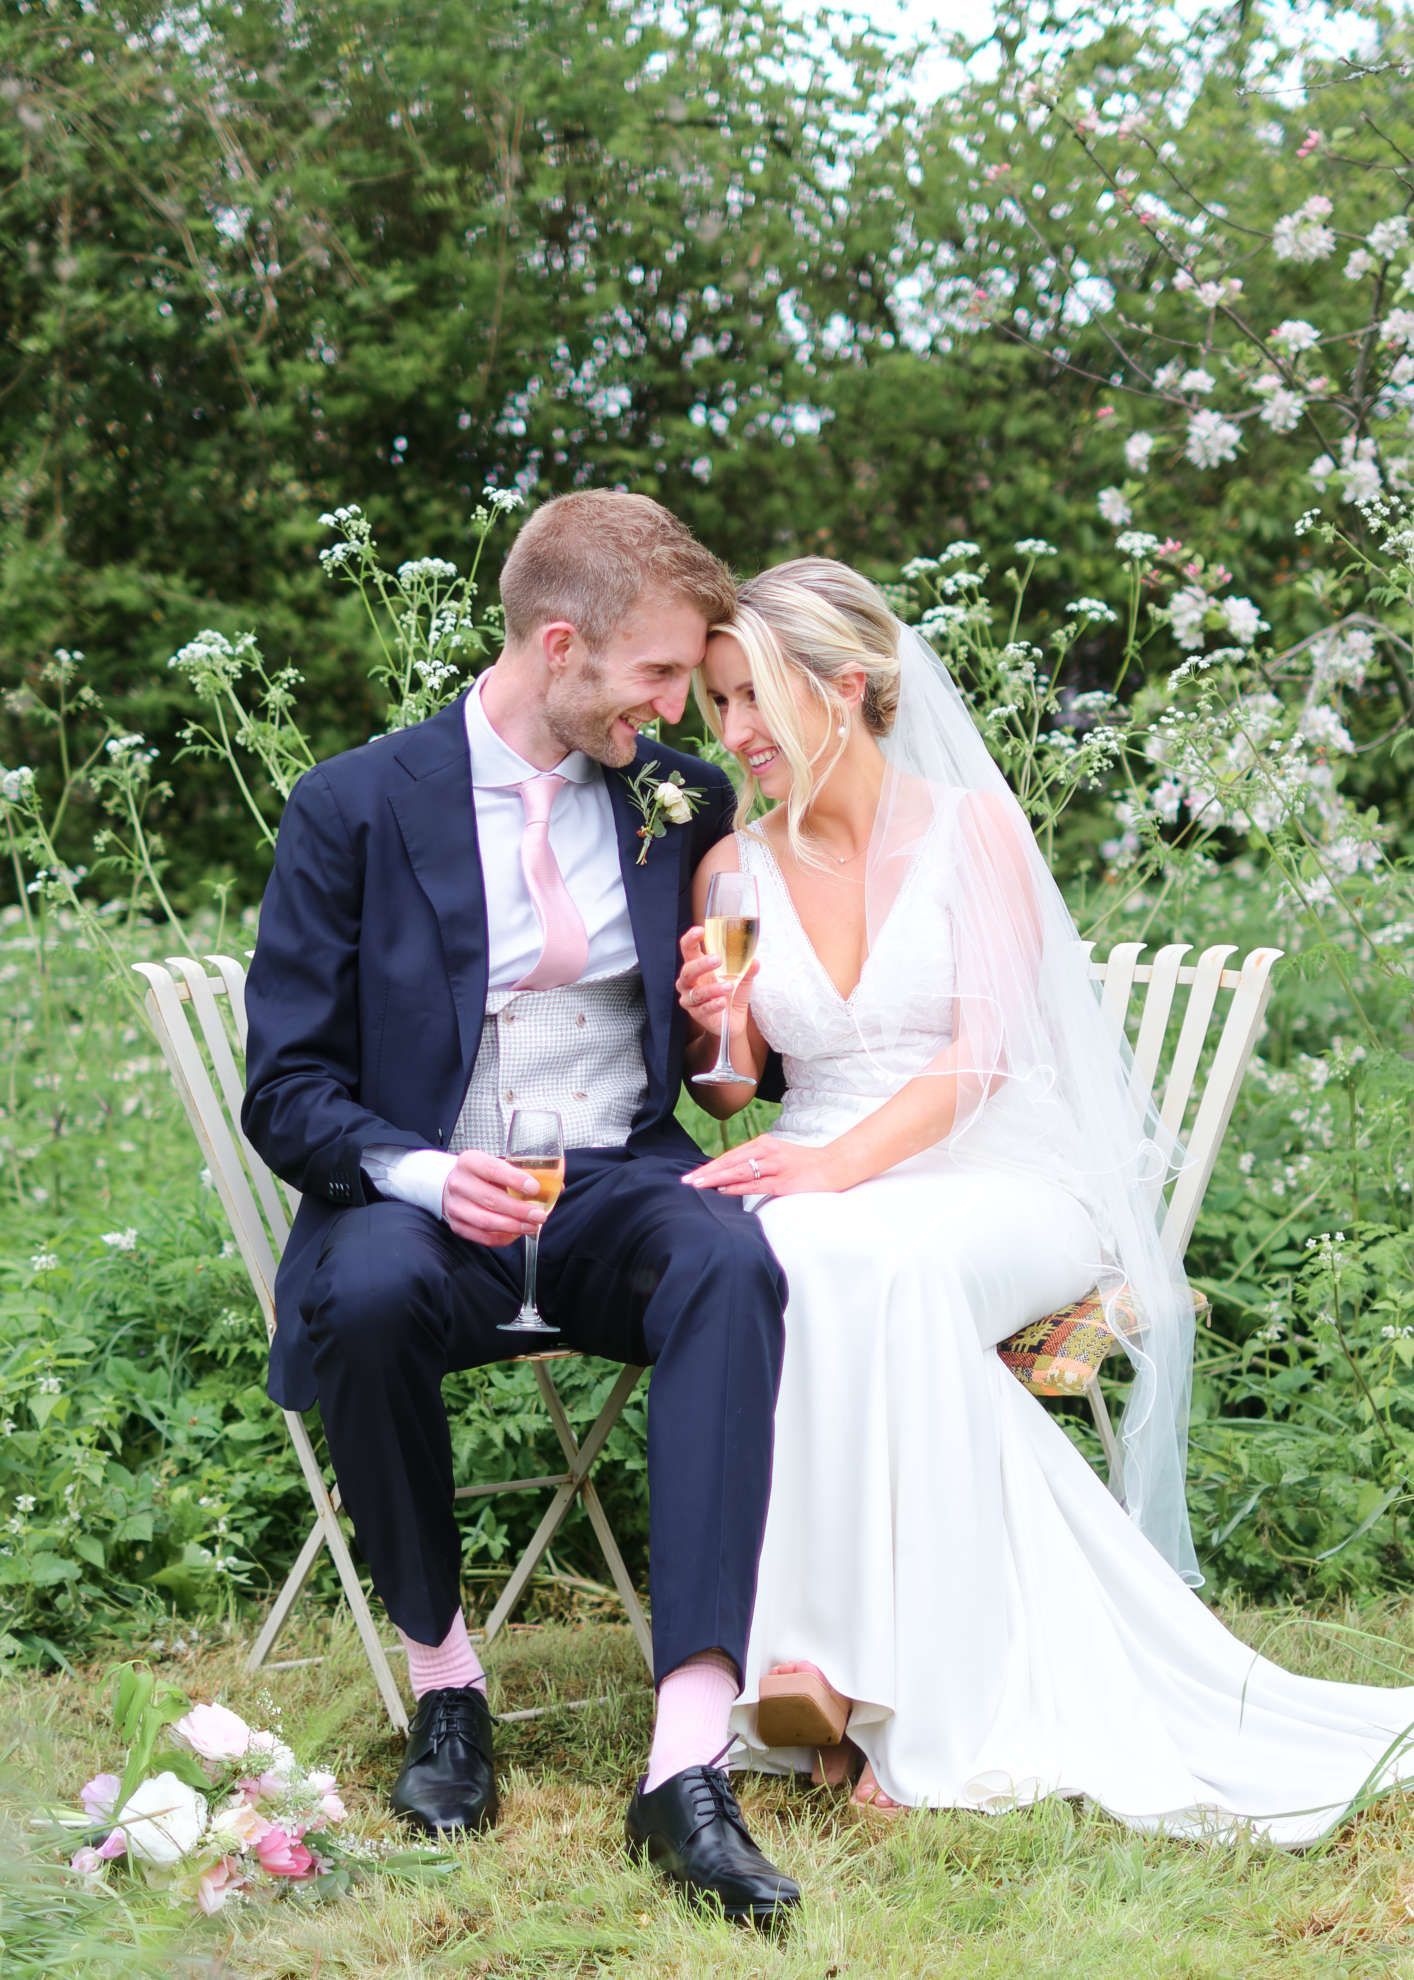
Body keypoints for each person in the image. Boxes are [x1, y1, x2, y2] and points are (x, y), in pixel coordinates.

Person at [675, 556, 1414, 1842]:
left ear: (843, 688)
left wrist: (836, 1169)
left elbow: (980, 1061)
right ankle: (824, 1675)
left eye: (753, 697)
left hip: (995, 1171)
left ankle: (886, 1682)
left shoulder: (973, 834)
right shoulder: (735, 868)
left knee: (883, 1264)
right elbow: (732, 1091)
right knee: (787, 1261)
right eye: (719, 702)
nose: (733, 732)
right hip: (820, 1165)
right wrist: (719, 1026)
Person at [242, 490, 801, 1928]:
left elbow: (733, 1074)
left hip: (615, 1178)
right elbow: (286, 1091)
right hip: (428, 1193)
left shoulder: (679, 798)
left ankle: (685, 1762)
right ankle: (445, 1687)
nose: (676, 708)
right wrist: (426, 1172)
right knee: (365, 1292)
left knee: (730, 1262)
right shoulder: (352, 806)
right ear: (559, 646)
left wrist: (722, 1019)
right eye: (657, 674)